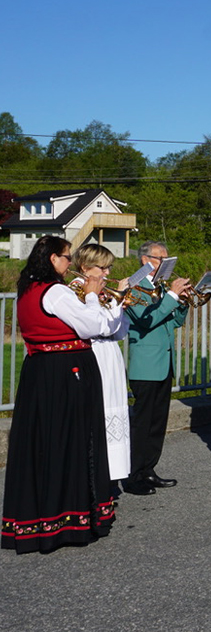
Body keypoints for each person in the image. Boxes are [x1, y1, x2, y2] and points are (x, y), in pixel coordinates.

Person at [1, 236, 117, 553]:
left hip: (40, 371)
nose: (69, 264)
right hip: (67, 372)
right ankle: (71, 520)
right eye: (66, 258)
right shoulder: (56, 292)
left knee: (44, 444)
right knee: (73, 442)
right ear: (53, 259)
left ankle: (38, 520)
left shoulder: (28, 289)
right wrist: (92, 297)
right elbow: (91, 327)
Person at [125, 241, 192, 494]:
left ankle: (149, 470)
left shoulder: (159, 287)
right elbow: (146, 320)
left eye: (167, 259)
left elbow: (173, 322)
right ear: (145, 260)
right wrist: (172, 296)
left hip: (164, 362)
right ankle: (133, 476)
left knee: (157, 424)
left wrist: (182, 303)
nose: (165, 264)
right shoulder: (133, 286)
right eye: (160, 258)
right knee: (142, 424)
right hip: (145, 365)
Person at [70, 243, 131, 487]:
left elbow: (118, 332)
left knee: (114, 410)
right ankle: (96, 479)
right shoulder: (76, 290)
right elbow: (100, 326)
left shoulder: (101, 291)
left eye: (109, 267)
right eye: (102, 268)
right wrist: (116, 304)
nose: (107, 273)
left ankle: (110, 475)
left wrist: (120, 304)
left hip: (110, 354)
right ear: (85, 268)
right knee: (99, 413)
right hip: (93, 354)